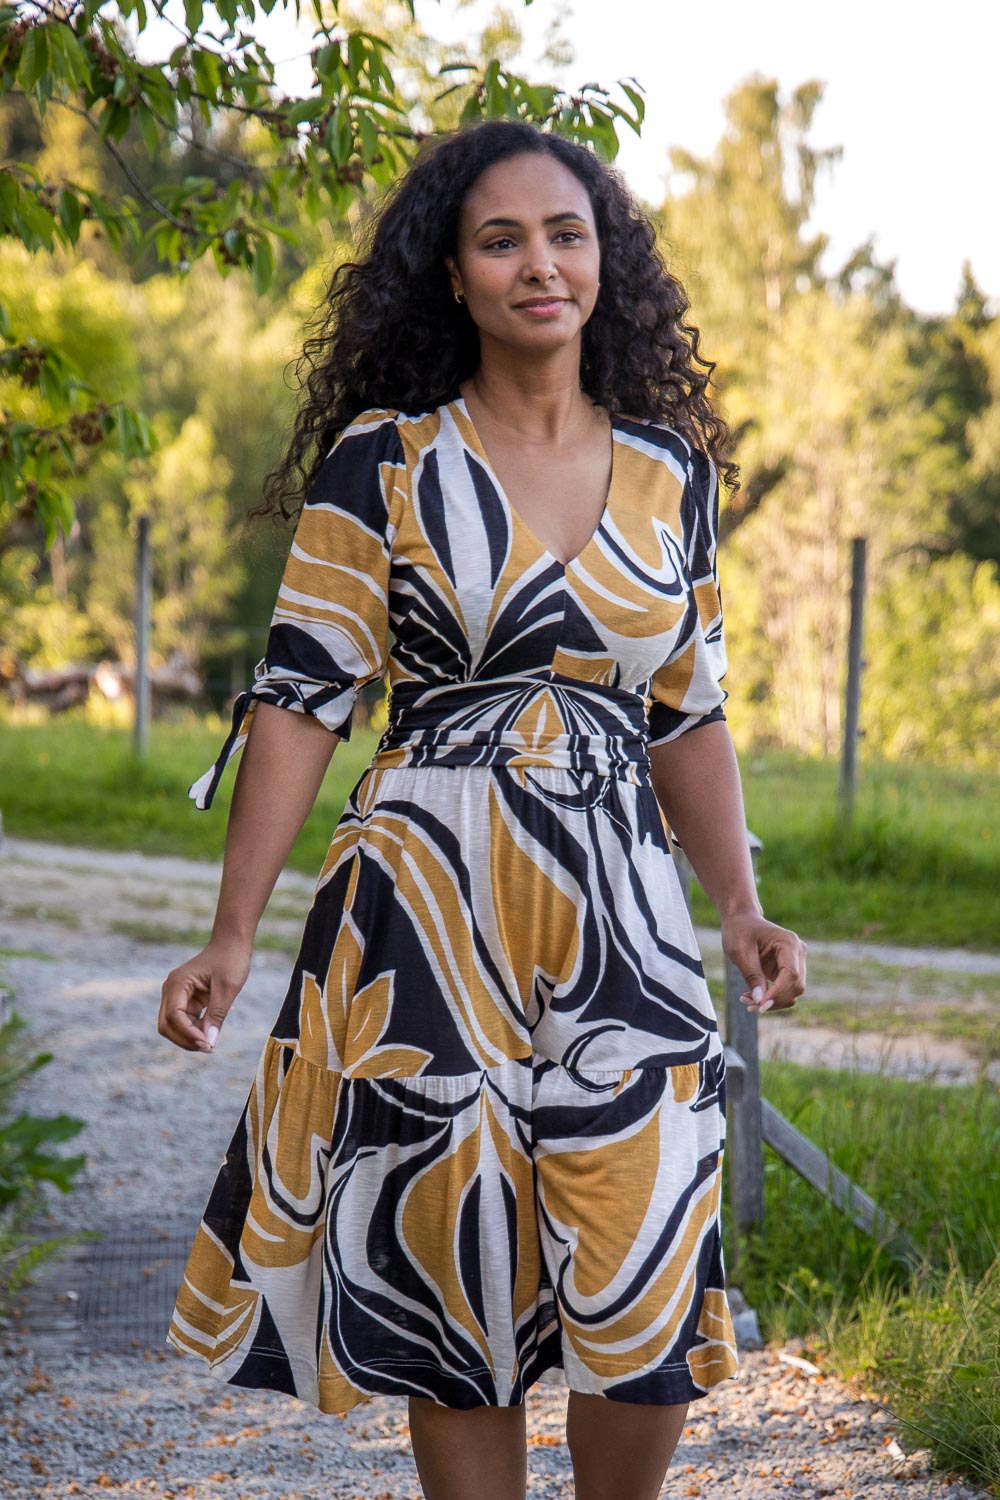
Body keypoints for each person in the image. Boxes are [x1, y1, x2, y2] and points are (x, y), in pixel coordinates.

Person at [158, 116, 807, 1500]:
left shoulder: (671, 472)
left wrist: (741, 905)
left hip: (621, 926)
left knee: (644, 1278)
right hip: (421, 918)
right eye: (500, 239)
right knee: (455, 1289)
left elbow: (688, 712)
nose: (538, 264)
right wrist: (230, 936)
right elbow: (296, 705)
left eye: (566, 235)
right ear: (451, 275)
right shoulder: (384, 463)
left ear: (604, 263)